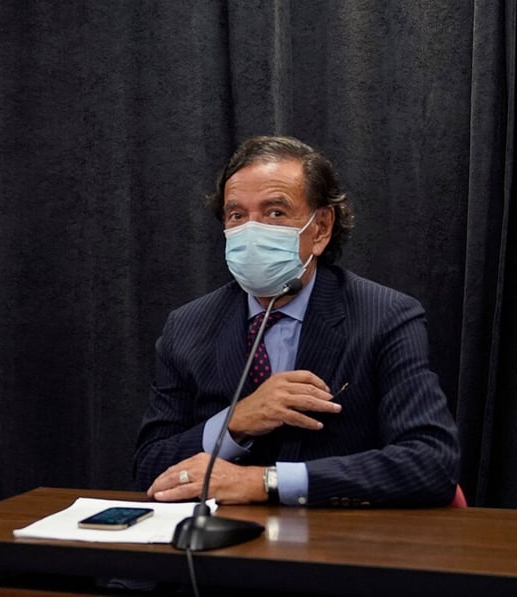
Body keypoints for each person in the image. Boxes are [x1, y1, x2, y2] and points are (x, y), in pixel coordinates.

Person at [134, 135, 459, 507]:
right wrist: (235, 422)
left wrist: (267, 482)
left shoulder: (385, 316)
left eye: (275, 212)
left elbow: (431, 463)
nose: (251, 231)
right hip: (215, 549)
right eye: (237, 215)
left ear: (320, 228)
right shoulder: (188, 326)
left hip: (335, 545)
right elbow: (149, 468)